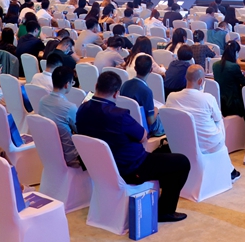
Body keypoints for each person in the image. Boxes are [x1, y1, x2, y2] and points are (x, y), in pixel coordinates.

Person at [76, 71, 190, 223]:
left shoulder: (82, 110)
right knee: (181, 162)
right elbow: (143, 136)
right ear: (116, 93)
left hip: (100, 168)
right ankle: (165, 211)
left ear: (96, 86)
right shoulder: (119, 115)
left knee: (164, 161)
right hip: (130, 168)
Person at [164, 64, 240, 181]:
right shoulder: (208, 98)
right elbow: (218, 118)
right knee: (219, 121)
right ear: (201, 81)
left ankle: (229, 169)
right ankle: (228, 170)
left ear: (186, 78)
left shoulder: (172, 97)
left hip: (181, 142)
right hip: (208, 144)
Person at [37, 67, 82, 168]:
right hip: (70, 157)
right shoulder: (69, 107)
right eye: (72, 82)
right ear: (67, 84)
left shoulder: (42, 101)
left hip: (49, 152)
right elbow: (81, 131)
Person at [120, 55, 165, 137]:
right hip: (143, 128)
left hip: (128, 123)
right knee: (166, 118)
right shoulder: (146, 91)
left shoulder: (125, 85)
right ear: (151, 70)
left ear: (135, 68)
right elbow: (150, 121)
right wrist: (156, 110)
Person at [211, 41, 245, 118]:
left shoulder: (215, 65)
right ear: (236, 52)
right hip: (233, 103)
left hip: (221, 101)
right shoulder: (234, 66)